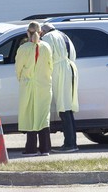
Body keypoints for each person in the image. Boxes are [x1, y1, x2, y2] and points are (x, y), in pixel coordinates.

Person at [15, 21, 53, 156]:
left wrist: (22, 79)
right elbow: (50, 66)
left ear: (27, 32)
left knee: (30, 114)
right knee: (43, 115)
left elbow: (18, 68)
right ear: (41, 32)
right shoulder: (46, 47)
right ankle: (45, 148)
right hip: (44, 85)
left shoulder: (23, 49)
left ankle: (31, 148)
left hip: (28, 86)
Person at [41, 23, 79, 153]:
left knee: (63, 107)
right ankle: (72, 141)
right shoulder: (64, 35)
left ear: (44, 31)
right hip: (71, 69)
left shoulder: (48, 37)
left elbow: (45, 57)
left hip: (60, 72)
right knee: (67, 107)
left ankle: (69, 143)